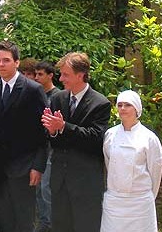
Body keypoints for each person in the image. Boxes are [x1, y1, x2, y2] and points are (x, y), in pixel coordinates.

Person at [0, 41, 48, 232]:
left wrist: (38, 166)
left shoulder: (33, 90)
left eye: (6, 60)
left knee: (23, 220)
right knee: (3, 220)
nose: (1, 64)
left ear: (16, 63)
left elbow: (43, 132)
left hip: (24, 167)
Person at [41, 52, 111, 232]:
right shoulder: (58, 99)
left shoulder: (100, 103)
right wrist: (53, 132)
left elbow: (95, 138)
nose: (61, 79)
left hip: (85, 182)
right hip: (60, 181)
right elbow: (55, 141)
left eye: (66, 74)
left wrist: (64, 127)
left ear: (80, 75)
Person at [100, 90, 162, 232]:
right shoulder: (110, 135)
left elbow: (156, 170)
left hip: (140, 203)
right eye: (120, 105)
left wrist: (147, 196)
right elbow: (108, 164)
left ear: (137, 109)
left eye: (127, 105)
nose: (122, 108)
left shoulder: (149, 138)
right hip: (114, 201)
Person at [33, 61, 59, 232]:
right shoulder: (36, 93)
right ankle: (44, 221)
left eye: (40, 74)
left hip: (51, 147)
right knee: (37, 186)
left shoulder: (58, 96)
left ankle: (51, 223)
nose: (36, 77)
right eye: (35, 74)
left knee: (46, 188)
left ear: (50, 75)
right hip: (36, 147)